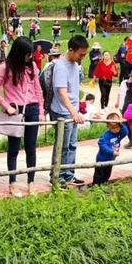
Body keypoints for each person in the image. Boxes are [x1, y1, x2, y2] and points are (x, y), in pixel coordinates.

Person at [0, 36, 45, 197]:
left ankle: (31, 182)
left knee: (31, 148)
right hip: (15, 111)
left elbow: (38, 90)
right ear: (19, 52)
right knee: (13, 148)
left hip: (33, 109)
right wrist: (6, 106)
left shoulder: (32, 66)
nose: (30, 57)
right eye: (28, 54)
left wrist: (41, 111)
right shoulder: (5, 67)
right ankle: (13, 183)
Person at [49, 35, 89, 186]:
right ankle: (57, 176)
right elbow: (62, 93)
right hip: (62, 111)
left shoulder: (75, 64)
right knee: (62, 145)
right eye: (81, 54)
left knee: (72, 145)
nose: (83, 57)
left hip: (73, 110)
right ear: (71, 50)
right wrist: (73, 112)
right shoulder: (60, 66)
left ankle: (69, 174)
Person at [92, 113, 129, 185]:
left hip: (111, 159)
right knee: (99, 175)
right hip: (102, 159)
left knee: (107, 173)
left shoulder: (119, 134)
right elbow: (102, 145)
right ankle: (96, 186)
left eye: (117, 127)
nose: (115, 129)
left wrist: (122, 124)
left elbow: (125, 132)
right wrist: (112, 152)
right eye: (113, 128)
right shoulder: (105, 136)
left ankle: (104, 184)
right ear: (108, 126)